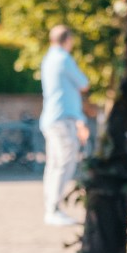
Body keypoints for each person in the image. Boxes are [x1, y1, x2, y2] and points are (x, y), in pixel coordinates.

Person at [38, 25, 90, 227]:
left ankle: (51, 207)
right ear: (68, 40)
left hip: (51, 118)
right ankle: (54, 209)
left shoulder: (48, 59)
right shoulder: (63, 59)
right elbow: (83, 83)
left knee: (54, 164)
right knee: (64, 163)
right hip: (62, 119)